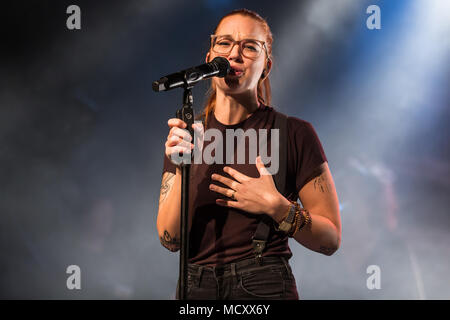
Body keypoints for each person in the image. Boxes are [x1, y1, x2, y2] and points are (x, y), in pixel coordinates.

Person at [157, 8, 341, 300]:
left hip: (262, 284)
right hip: (196, 286)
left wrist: (278, 208)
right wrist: (182, 171)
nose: (234, 54)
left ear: (266, 66)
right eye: (225, 43)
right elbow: (170, 240)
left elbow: (330, 239)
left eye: (250, 47)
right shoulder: (187, 136)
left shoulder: (294, 133)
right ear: (210, 59)